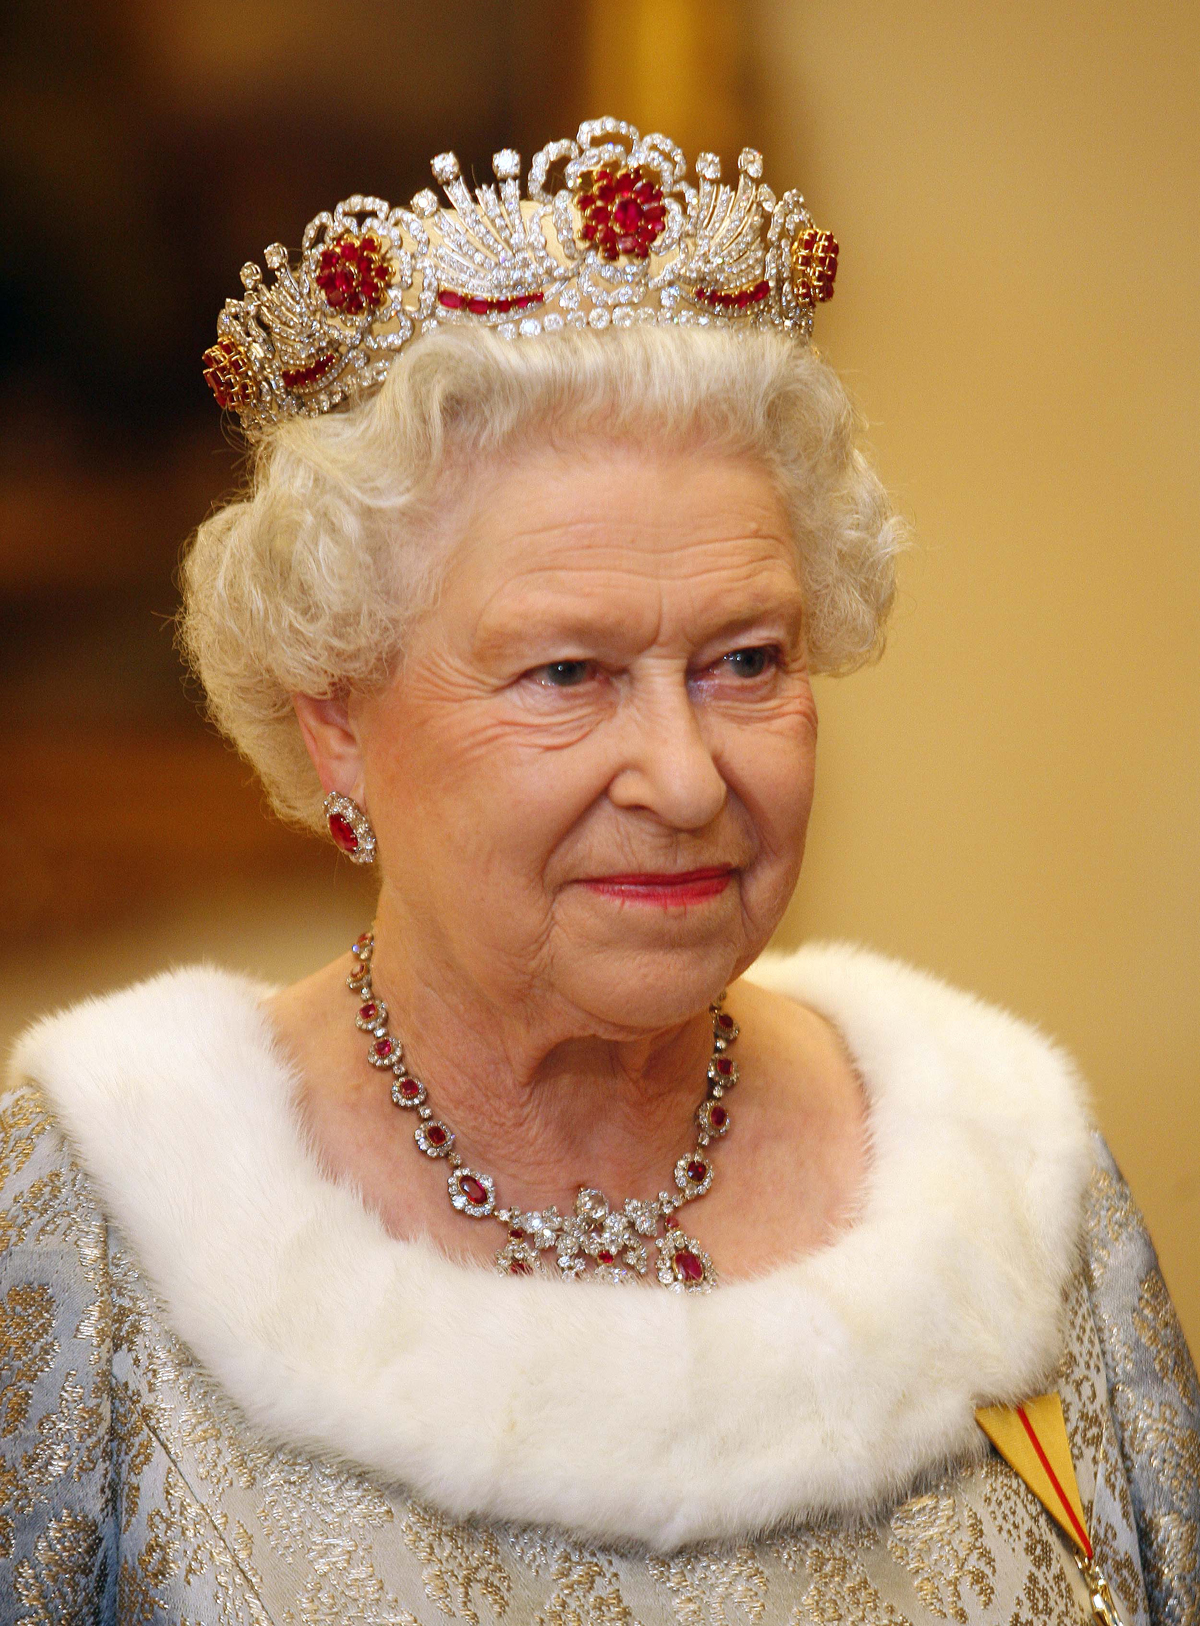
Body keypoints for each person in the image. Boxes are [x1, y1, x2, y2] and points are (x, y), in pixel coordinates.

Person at [2, 120, 1195, 1624]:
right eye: (567, 673)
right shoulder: (103, 1224)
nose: (687, 781)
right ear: (337, 714)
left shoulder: (1012, 1187)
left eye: (746, 661)